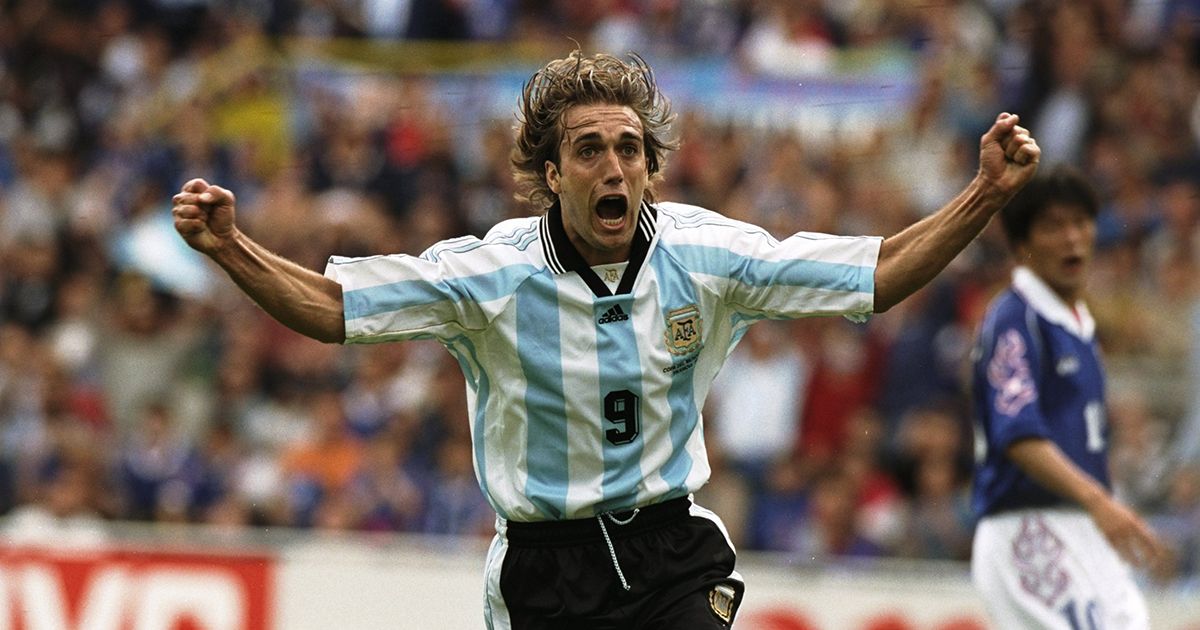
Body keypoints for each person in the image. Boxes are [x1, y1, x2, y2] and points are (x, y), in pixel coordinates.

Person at [172, 50, 1040, 629]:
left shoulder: (708, 254)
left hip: (672, 554)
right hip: (546, 571)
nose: (614, 166)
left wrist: (985, 195)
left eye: (629, 148)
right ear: (551, 177)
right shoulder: (493, 275)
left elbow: (877, 274)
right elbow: (333, 307)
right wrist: (229, 247)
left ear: (651, 167)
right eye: (588, 150)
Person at [968, 166, 1168, 629]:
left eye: (1081, 222)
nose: (1072, 238)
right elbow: (1016, 433)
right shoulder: (1017, 320)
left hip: (1082, 527)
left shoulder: (1077, 325)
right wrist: (1100, 501)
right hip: (1026, 527)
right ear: (1022, 244)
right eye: (1053, 226)